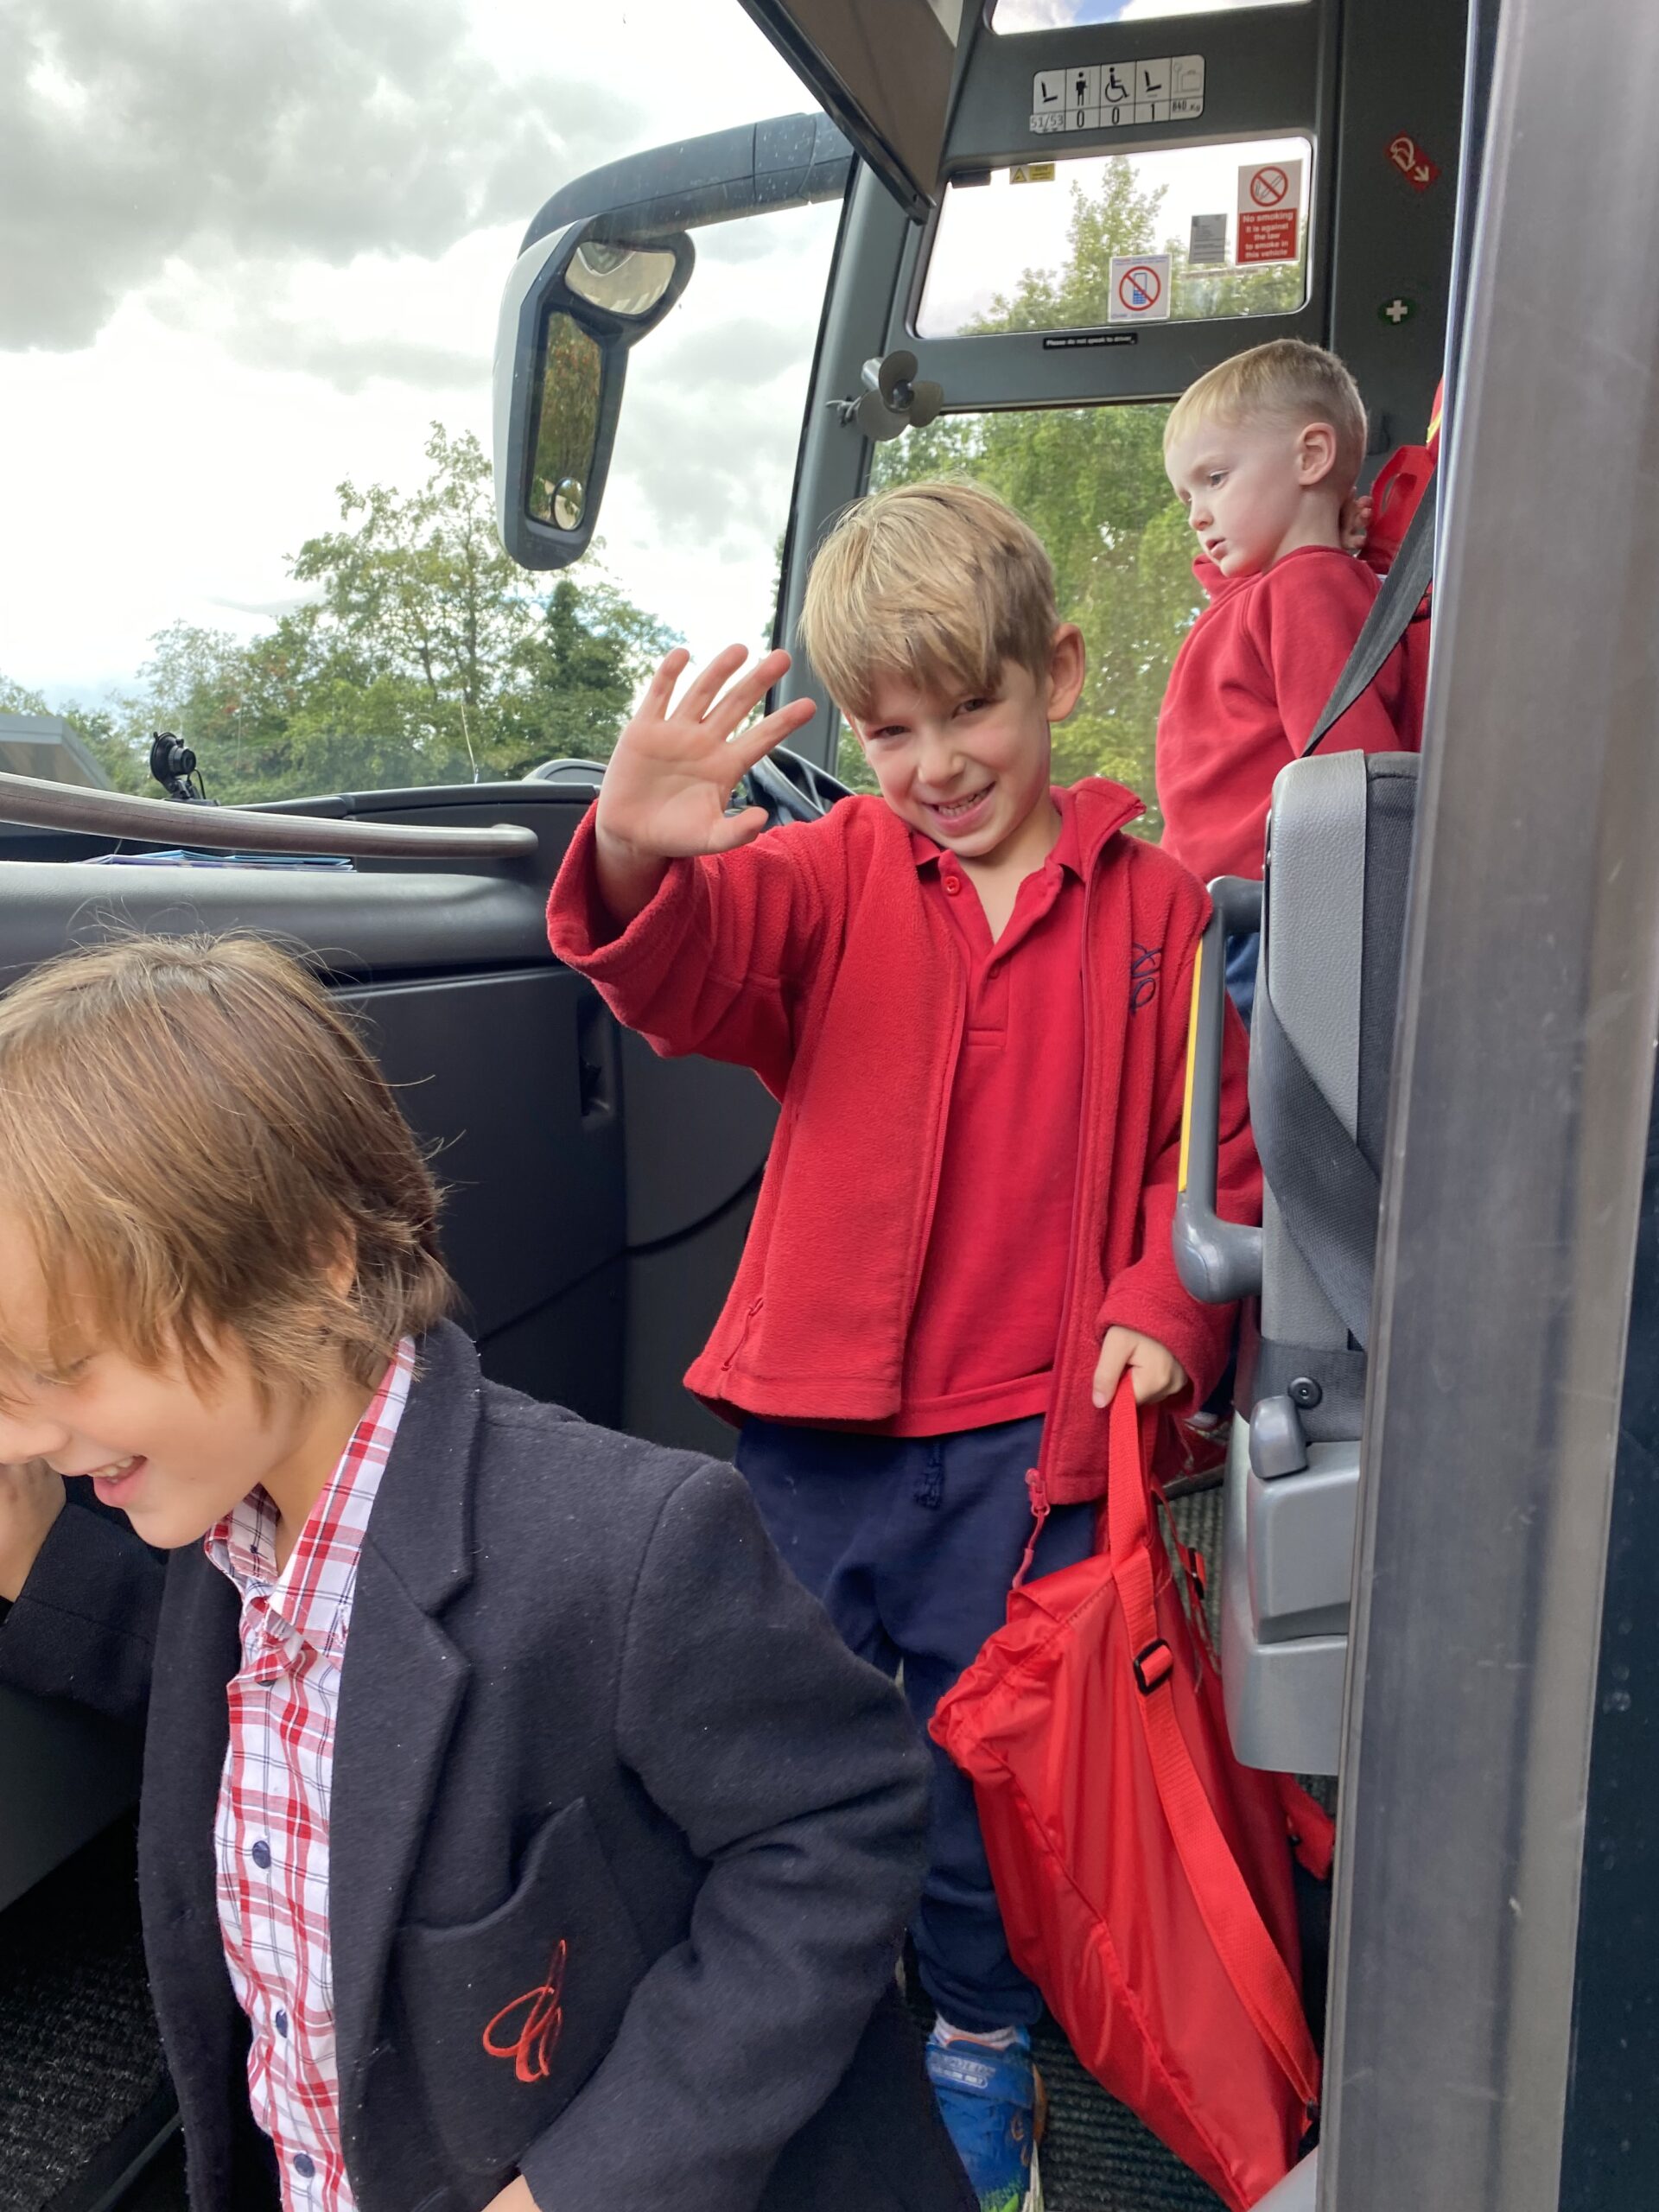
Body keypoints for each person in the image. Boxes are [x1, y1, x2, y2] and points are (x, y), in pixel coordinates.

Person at [0, 934, 976, 2212]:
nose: (24, 1434)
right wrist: (33, 1556)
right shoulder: (222, 1539)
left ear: (309, 1259)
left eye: (66, 1369)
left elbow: (835, 1831)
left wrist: (590, 2183)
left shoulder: (632, 1549)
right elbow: (252, 1681)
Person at [545, 480, 1257, 2212]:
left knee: (977, 1761)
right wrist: (638, 844)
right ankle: (753, 2006)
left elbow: (1214, 1153)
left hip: (1035, 1440)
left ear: (1060, 671)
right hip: (817, 1429)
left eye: (971, 709)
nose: (933, 761)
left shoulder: (1163, 909)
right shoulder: (838, 873)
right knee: (759, 1728)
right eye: (888, 728)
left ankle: (976, 2033)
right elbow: (691, 968)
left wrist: (1165, 1313)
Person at [1158, 339, 1427, 1020]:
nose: (1196, 513)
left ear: (1311, 456)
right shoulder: (1264, 596)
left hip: (1282, 919)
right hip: (1246, 914)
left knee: (1287, 1117)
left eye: (1214, 478)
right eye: (1187, 494)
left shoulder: (1305, 588)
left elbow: (1352, 773)